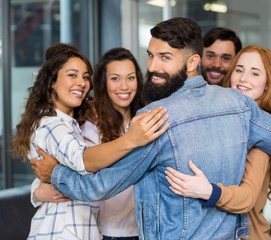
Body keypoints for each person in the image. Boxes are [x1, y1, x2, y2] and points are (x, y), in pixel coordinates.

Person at [30, 17, 271, 240]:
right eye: (151, 55)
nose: (152, 67)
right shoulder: (239, 104)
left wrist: (54, 173)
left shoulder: (155, 117)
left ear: (192, 62)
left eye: (165, 57)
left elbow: (98, 187)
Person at [11, 43, 169, 240]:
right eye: (114, 79)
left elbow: (64, 163)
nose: (124, 86)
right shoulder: (84, 124)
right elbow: (78, 160)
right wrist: (39, 187)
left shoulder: (148, 119)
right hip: (99, 230)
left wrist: (52, 177)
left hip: (138, 229)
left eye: (130, 78)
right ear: (103, 83)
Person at [165, 45, 271, 240]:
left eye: (255, 74)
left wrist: (208, 191)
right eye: (239, 70)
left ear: (268, 85)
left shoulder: (260, 133)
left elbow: (247, 198)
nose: (243, 78)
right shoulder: (224, 120)